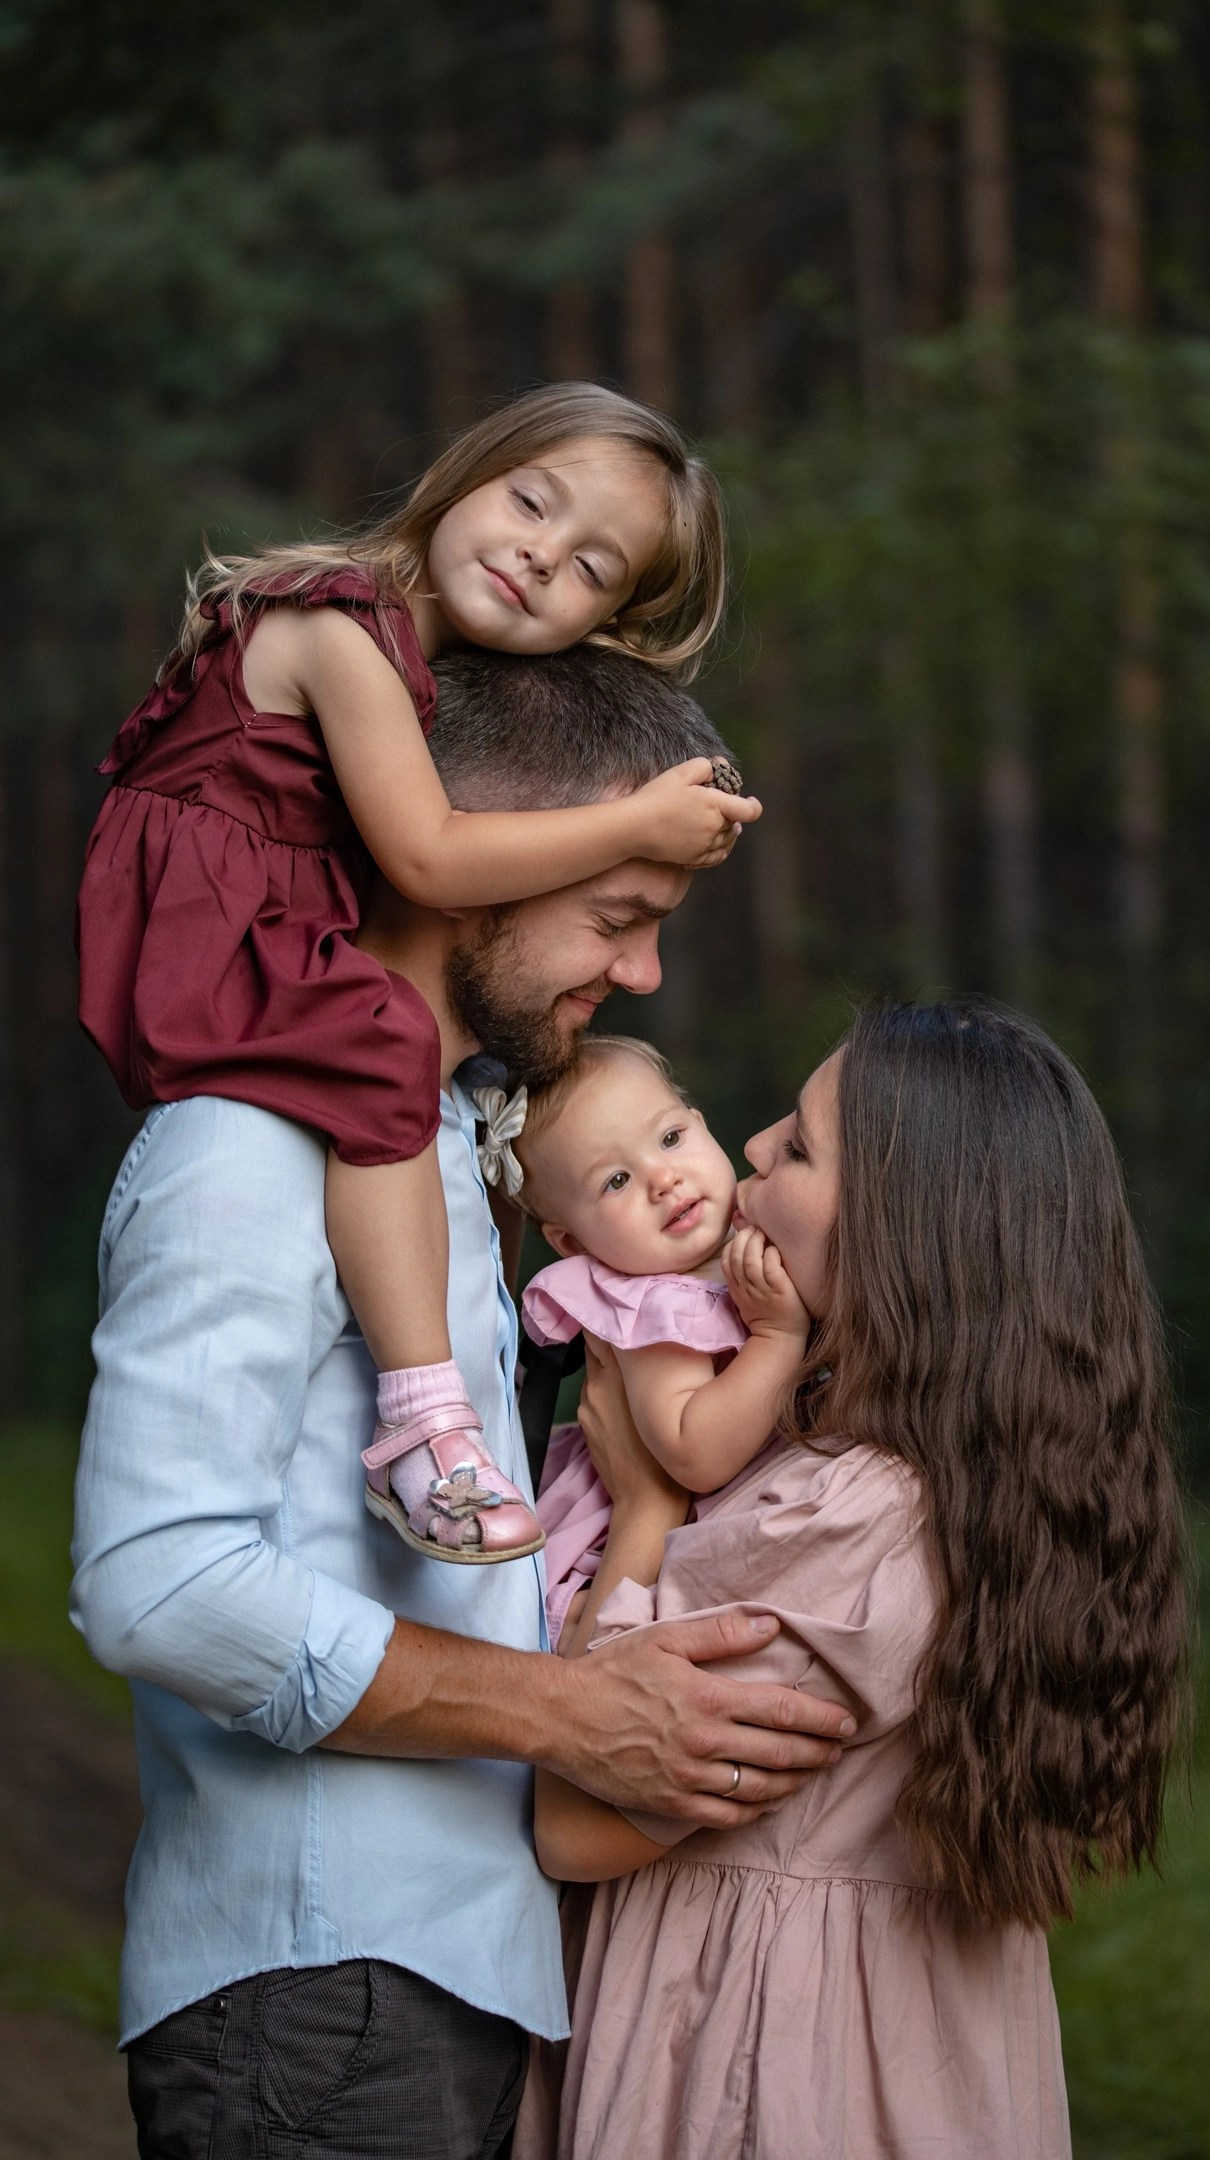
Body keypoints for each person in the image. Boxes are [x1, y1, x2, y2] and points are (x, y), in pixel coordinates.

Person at [70, 644, 853, 2160]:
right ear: (467, 862)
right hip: (315, 1992)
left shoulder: (427, 1152)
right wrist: (575, 1715)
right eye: (618, 918)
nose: (642, 977)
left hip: (438, 1981)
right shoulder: (253, 1144)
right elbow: (155, 1584)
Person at [76, 381, 760, 1563]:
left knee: (393, 1059)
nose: (543, 560)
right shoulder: (340, 635)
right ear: (466, 473)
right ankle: (421, 1420)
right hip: (213, 925)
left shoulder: (428, 682)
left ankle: (432, 1419)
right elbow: (433, 855)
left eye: (594, 569)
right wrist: (636, 821)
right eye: (531, 503)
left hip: (277, 918)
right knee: (382, 1039)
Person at [521, 1000, 1193, 2160]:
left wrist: (642, 1507)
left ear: (902, 1229)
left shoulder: (846, 1520)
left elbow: (577, 1826)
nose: (748, 1152)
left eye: (799, 1146)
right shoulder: (984, 1472)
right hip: (919, 2050)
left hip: (770, 2065)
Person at [513, 1035, 810, 1651]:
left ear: (699, 1126)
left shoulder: (751, 1244)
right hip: (625, 1566)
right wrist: (780, 1337)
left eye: (671, 1139)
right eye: (617, 1180)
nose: (664, 1179)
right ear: (570, 1243)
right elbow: (693, 1452)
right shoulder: (647, 1308)